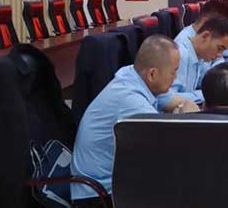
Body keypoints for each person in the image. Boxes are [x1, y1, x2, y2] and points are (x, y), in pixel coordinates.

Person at [71, 35, 195, 205]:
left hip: (116, 177)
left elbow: (178, 102)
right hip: (98, 194)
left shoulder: (134, 75)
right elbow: (170, 147)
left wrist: (181, 112)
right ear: (153, 74)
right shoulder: (131, 101)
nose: (175, 78)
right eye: (173, 72)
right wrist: (182, 116)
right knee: (182, 181)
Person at [158, 17, 228, 111]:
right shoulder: (180, 56)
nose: (219, 55)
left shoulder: (199, 56)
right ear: (205, 36)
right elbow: (164, 97)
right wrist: (208, 95)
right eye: (219, 48)